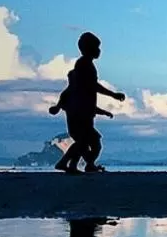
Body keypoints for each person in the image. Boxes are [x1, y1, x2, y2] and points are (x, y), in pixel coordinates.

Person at [49, 32, 125, 174]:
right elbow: (89, 87)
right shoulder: (84, 65)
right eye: (96, 47)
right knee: (84, 142)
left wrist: (102, 111)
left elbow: (84, 94)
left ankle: (83, 164)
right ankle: (68, 164)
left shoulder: (86, 65)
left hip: (84, 113)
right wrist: (113, 94)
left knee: (93, 144)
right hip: (79, 114)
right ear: (88, 49)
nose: (99, 51)